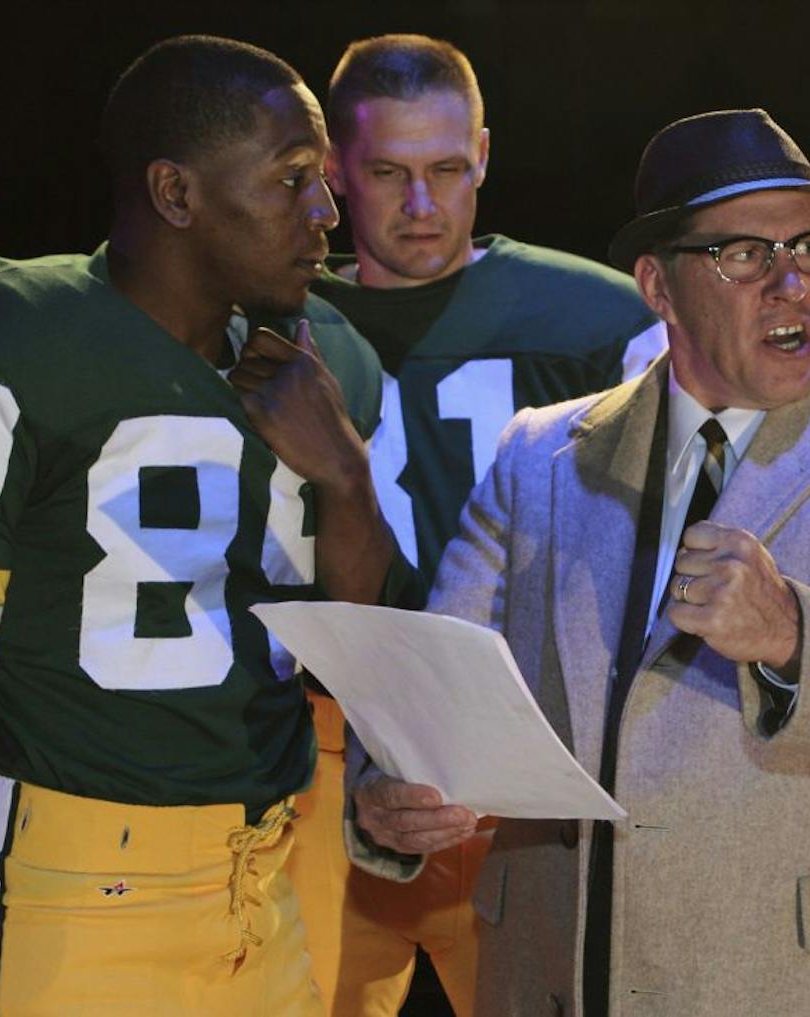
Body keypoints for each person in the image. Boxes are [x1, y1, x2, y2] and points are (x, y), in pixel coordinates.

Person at [346, 107, 810, 1016]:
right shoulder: (538, 455)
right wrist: (384, 797)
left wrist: (791, 632)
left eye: (809, 249)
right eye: (744, 254)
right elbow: (435, 688)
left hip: (801, 990)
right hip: (556, 979)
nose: (791, 283)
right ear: (657, 286)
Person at [0, 35, 403, 1014]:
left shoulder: (334, 364)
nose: (327, 214)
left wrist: (344, 475)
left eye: (322, 181)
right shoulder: (10, 331)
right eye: (290, 182)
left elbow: (355, 659)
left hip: (267, 880)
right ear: (176, 193)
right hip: (73, 887)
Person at [284, 33, 665, 1017]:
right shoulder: (276, 316)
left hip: (530, 752)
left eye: (447, 170)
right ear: (331, 168)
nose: (422, 206)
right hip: (321, 759)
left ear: (484, 155)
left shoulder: (597, 318)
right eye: (387, 173)